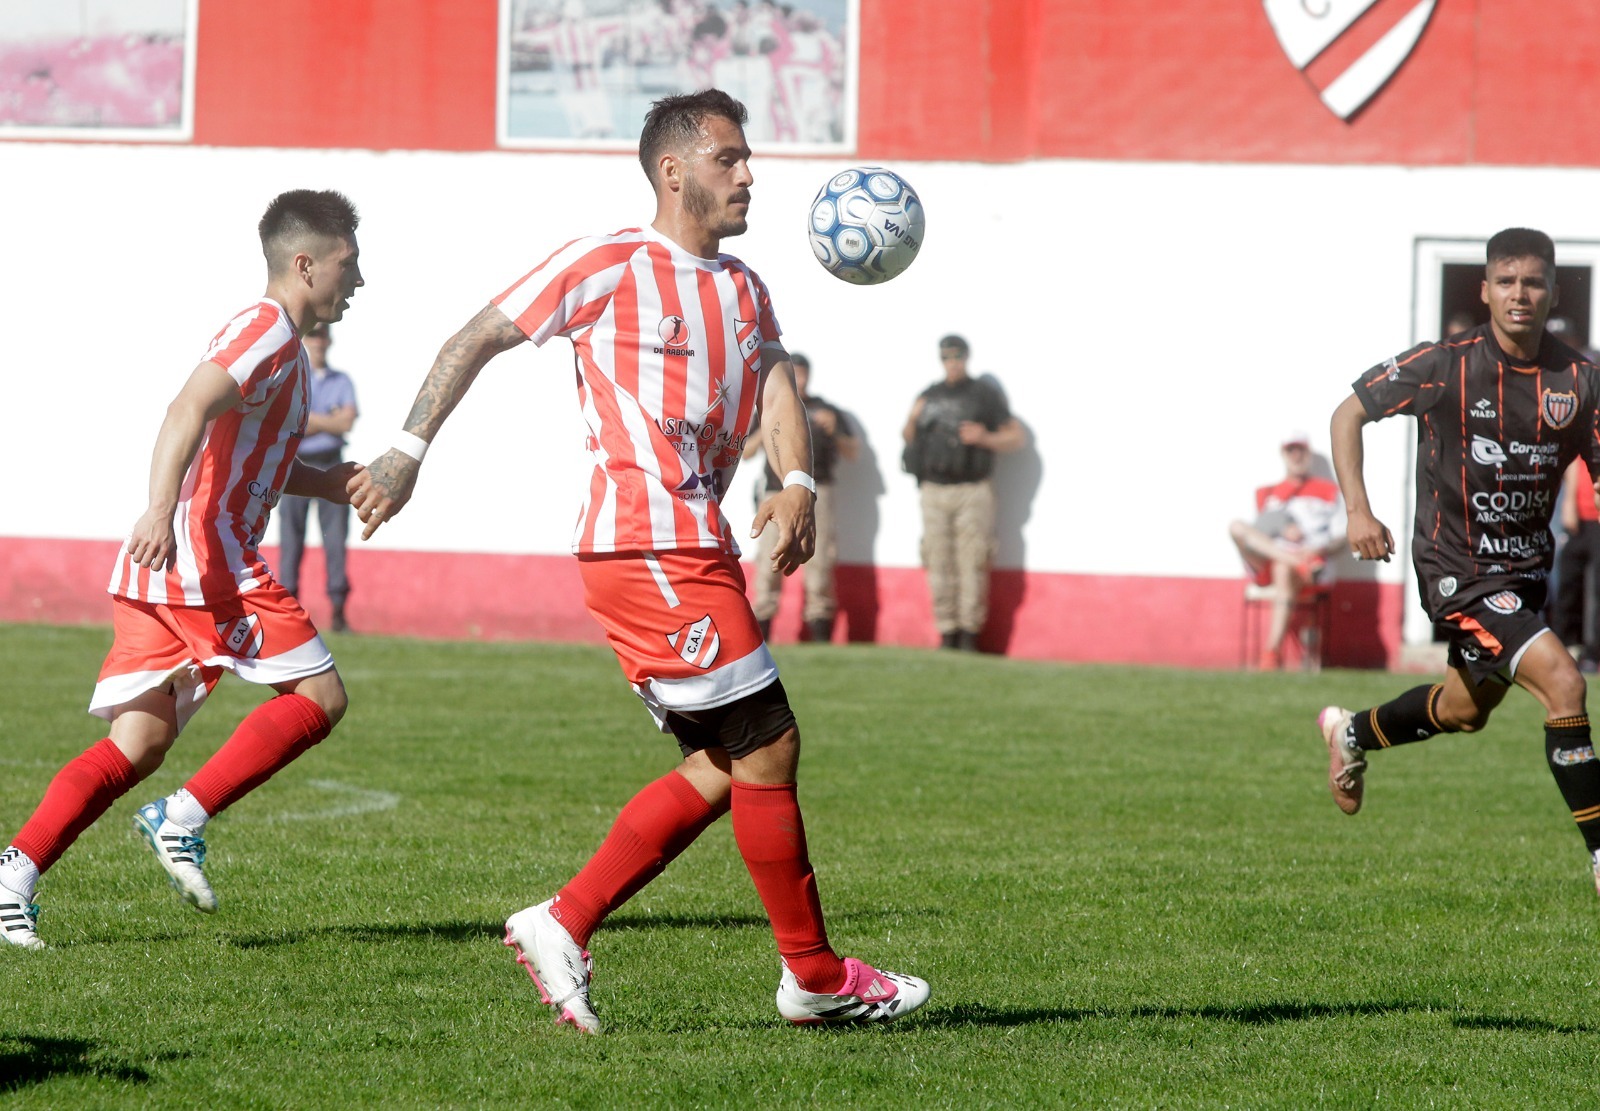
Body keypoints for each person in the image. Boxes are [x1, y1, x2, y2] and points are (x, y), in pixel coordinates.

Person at [348, 89, 928, 1032]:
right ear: (674, 169)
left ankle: (563, 920)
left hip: (694, 541)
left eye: (747, 160)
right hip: (642, 539)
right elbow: (479, 335)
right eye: (729, 159)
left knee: (722, 762)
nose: (749, 175)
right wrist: (405, 455)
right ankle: (813, 976)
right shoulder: (607, 259)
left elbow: (776, 374)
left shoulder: (743, 286)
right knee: (768, 740)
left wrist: (797, 479)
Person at [0, 190, 366, 949]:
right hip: (204, 559)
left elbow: (246, 454)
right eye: (347, 265)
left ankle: (13, 873)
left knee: (138, 744)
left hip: (170, 564)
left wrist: (325, 481)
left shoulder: (284, 349)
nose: (357, 282)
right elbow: (184, 409)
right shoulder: (264, 328)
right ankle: (181, 816)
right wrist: (159, 510)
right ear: (306, 263)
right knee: (320, 696)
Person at [1318, 227, 1600, 897]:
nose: (1519, 294)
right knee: (1564, 682)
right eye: (1506, 282)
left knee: (1463, 710)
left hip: (1527, 574)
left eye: (1533, 282)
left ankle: (1351, 733)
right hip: (1457, 570)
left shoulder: (1581, 378)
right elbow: (1347, 414)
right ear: (1485, 290)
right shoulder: (1444, 364)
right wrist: (1358, 510)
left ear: (1554, 292)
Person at [901, 334, 1025, 651]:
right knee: (938, 560)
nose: (952, 363)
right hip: (934, 489)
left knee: (972, 561)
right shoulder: (928, 395)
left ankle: (970, 634)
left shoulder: (983, 394)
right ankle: (948, 632)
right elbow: (909, 436)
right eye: (946, 357)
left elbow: (1016, 437)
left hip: (973, 489)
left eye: (956, 357)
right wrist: (913, 418)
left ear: (966, 357)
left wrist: (984, 438)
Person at [742, 352, 858, 643]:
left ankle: (819, 627)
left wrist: (834, 430)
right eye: (795, 374)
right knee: (769, 558)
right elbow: (746, 452)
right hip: (775, 491)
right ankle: (764, 626)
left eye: (803, 374)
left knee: (818, 561)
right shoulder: (769, 409)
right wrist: (765, 429)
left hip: (818, 492)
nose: (800, 380)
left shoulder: (826, 409)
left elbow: (852, 452)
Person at [1228, 432, 1344, 670]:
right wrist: (1282, 528)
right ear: (1283, 454)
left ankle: (1271, 654)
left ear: (1309, 454)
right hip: (1274, 557)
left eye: (1301, 450)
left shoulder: (1329, 491)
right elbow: (1260, 530)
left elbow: (1341, 538)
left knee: (1283, 568)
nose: (1296, 456)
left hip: (1312, 561)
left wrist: (1315, 549)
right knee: (1236, 527)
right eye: (1291, 450)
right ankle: (1293, 560)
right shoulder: (1267, 493)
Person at [276, 322, 359, 632]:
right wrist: (329, 420)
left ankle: (338, 609)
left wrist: (311, 421)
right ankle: (288, 606)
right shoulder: (295, 378)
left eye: (323, 335)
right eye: (313, 335)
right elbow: (290, 422)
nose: (318, 341)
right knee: (291, 538)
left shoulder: (342, 381)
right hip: (295, 463)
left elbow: (346, 422)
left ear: (329, 340)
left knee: (335, 539)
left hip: (330, 462)